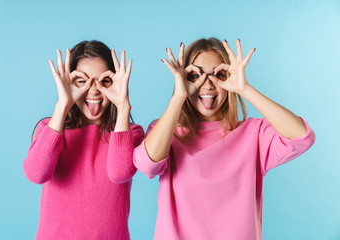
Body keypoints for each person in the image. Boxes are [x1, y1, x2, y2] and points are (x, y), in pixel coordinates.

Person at [133, 38, 315, 240]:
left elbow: (301, 136)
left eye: (219, 75)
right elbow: (147, 165)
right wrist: (178, 97)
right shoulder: (167, 132)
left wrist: (245, 89)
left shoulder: (253, 134)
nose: (207, 84)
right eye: (195, 76)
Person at [23, 40, 144, 240]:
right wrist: (63, 104)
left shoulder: (130, 133)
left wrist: (123, 106)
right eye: (82, 80)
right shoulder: (51, 128)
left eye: (104, 81)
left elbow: (119, 173)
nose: (93, 89)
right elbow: (36, 174)